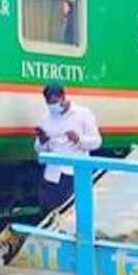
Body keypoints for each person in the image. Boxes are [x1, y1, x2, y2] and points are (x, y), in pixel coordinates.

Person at [34, 83, 101, 213]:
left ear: (63, 97)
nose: (52, 106)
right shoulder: (46, 117)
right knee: (48, 210)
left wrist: (79, 139)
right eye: (49, 103)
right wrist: (42, 141)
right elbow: (39, 149)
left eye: (55, 102)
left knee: (71, 213)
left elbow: (97, 142)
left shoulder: (83, 114)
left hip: (74, 174)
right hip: (53, 174)